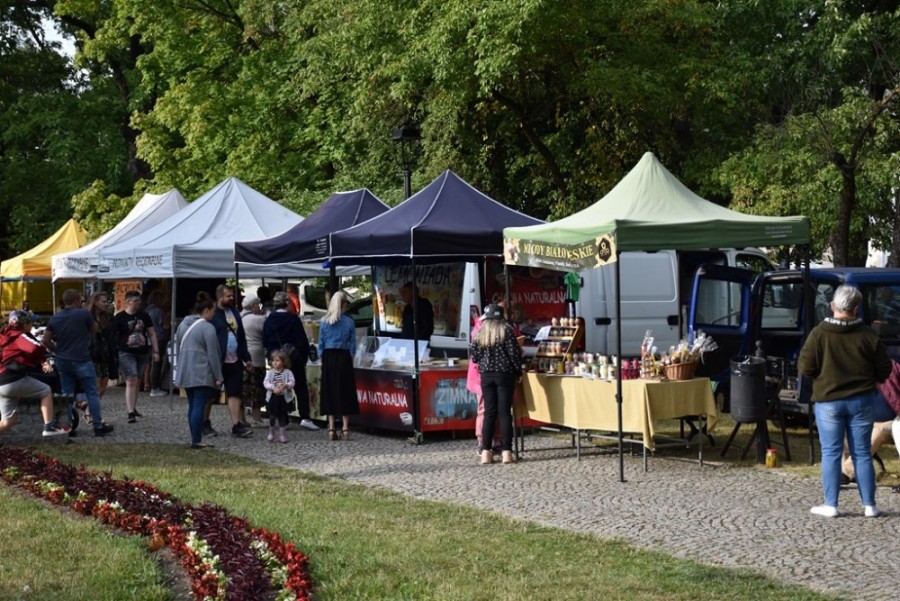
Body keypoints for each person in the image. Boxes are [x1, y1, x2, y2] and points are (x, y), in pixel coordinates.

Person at [798, 284, 892, 518]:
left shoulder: (819, 333)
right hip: (861, 400)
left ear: (832, 306)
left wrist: (821, 378)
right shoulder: (868, 335)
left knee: (831, 452)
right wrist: (875, 381)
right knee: (862, 453)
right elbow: (885, 368)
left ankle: (831, 504)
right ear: (856, 309)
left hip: (828, 401)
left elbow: (805, 367)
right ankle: (870, 505)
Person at [42, 289, 113, 436]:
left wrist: (56, 351)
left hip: (63, 361)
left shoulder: (55, 317)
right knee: (92, 393)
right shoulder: (84, 314)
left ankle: (67, 427)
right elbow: (95, 329)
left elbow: (46, 340)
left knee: (67, 395)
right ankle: (98, 426)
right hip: (82, 359)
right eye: (80, 300)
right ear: (75, 300)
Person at [469, 303, 523, 465]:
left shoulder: (481, 332)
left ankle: (486, 452)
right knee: (505, 413)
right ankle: (507, 453)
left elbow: (474, 357)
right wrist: (518, 373)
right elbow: (514, 355)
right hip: (505, 375)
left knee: (489, 413)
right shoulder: (507, 330)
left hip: (486, 375)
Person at [0, 312, 70, 437]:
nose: (32, 325)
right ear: (24, 324)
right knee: (45, 390)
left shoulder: (8, 335)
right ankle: (49, 426)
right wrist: (42, 347)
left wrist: (42, 360)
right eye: (30, 322)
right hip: (13, 379)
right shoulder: (19, 335)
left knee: (7, 421)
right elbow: (34, 348)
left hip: (2, 382)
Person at [263, 291, 318, 431]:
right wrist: (303, 356)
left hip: (275, 358)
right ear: (287, 304)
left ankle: (283, 419)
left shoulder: (269, 320)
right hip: (293, 358)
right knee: (300, 387)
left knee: (279, 387)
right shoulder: (293, 319)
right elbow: (302, 341)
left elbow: (265, 341)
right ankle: (305, 417)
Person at [173, 294, 222, 449]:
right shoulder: (207, 327)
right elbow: (213, 354)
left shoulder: (182, 325)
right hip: (202, 371)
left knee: (193, 405)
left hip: (186, 370)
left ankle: (195, 437)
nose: (214, 314)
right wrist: (218, 376)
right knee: (199, 405)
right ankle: (197, 440)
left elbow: (177, 347)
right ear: (206, 310)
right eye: (213, 311)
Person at [210, 284, 253, 438]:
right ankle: (204, 423)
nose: (231, 298)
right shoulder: (213, 313)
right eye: (228, 295)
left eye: (231, 295)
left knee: (234, 392)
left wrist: (246, 357)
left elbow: (241, 336)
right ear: (219, 297)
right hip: (218, 359)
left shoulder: (235, 312)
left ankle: (236, 424)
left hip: (234, 359)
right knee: (210, 393)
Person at [317, 291, 359, 441]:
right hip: (343, 356)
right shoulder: (349, 322)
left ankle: (331, 427)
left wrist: (322, 358)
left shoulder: (324, 321)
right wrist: (351, 358)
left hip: (328, 356)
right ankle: (345, 427)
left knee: (329, 391)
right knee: (345, 390)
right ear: (343, 304)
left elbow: (320, 344)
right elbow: (352, 344)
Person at [113, 289, 159, 424]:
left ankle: (133, 407)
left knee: (138, 380)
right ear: (128, 302)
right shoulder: (119, 317)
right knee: (131, 379)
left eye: (139, 301)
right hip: (125, 352)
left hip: (142, 352)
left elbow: (151, 333)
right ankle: (130, 412)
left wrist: (156, 351)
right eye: (135, 301)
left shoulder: (144, 316)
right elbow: (114, 336)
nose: (139, 303)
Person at [240, 294, 267, 426]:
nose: (259, 307)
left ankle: (241, 418)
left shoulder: (239, 317)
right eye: (258, 304)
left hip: (242, 358)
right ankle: (257, 418)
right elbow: (266, 333)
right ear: (253, 306)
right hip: (256, 357)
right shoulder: (258, 319)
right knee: (257, 388)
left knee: (243, 389)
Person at [263, 349, 295, 444]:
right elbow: (266, 383)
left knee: (282, 416)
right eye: (273, 360)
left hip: (283, 398)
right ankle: (271, 431)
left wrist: (286, 385)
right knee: (272, 416)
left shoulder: (288, 372)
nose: (275, 362)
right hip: (273, 398)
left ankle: (282, 434)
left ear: (283, 362)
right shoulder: (270, 372)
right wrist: (273, 388)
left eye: (277, 360)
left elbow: (292, 382)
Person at [145, 289, 171, 397]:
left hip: (148, 339)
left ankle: (150, 385)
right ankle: (155, 388)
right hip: (158, 338)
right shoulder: (159, 311)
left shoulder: (147, 310)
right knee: (157, 363)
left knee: (150, 363)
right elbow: (165, 326)